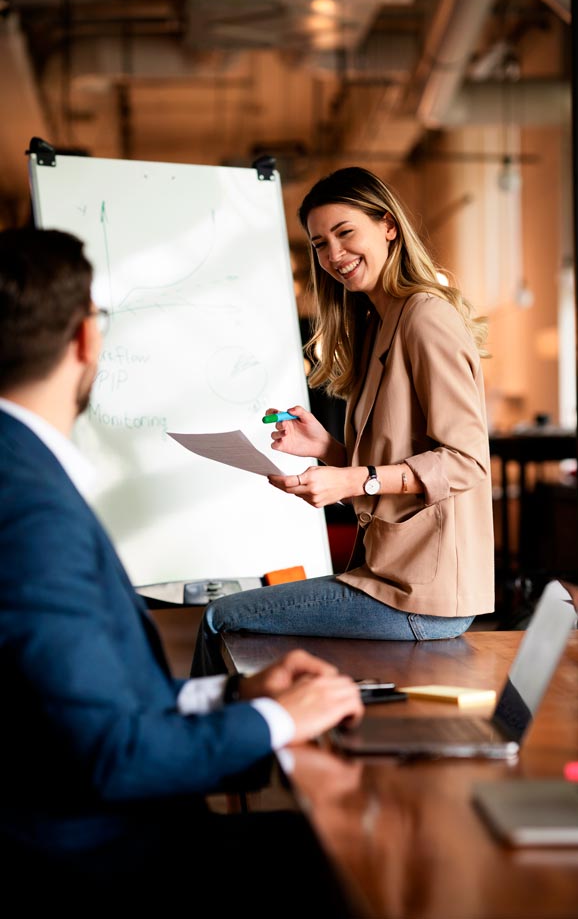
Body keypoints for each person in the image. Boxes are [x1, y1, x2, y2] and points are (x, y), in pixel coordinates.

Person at [0, 226, 363, 913]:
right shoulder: (30, 511)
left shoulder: (22, 469)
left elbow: (76, 699)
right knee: (345, 855)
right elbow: (115, 752)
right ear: (85, 340)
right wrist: (279, 721)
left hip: (88, 828)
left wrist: (230, 697)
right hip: (95, 860)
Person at [193, 167, 494, 676]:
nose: (333, 255)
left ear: (388, 226)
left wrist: (349, 478)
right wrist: (328, 450)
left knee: (221, 617)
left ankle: (206, 749)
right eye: (319, 244)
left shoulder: (425, 316)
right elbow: (394, 463)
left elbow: (465, 460)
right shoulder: (381, 322)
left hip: (421, 595)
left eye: (345, 232)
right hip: (393, 579)